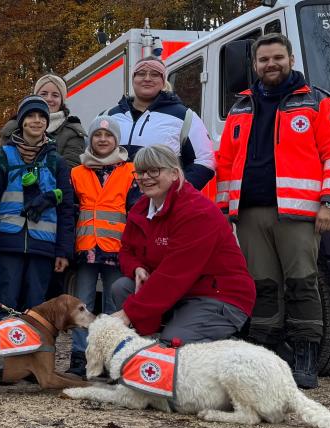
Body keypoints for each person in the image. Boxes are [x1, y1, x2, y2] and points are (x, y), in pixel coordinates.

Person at [214, 33, 330, 389]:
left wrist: (329, 202)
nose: (270, 64)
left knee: (302, 283)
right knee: (263, 285)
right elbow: (225, 161)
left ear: (290, 58)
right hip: (249, 213)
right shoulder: (240, 106)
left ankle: (306, 356)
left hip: (299, 213)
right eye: (263, 60)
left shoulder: (318, 102)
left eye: (277, 57)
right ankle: (266, 353)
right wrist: (225, 207)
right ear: (255, 65)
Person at [109, 145, 255, 346]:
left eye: (154, 171)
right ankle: (144, 349)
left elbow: (175, 273)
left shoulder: (196, 212)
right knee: (122, 287)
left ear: (174, 174)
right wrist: (137, 268)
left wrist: (129, 313)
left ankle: (214, 350)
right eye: (140, 172)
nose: (145, 177)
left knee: (175, 344)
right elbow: (126, 250)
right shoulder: (141, 208)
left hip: (216, 295)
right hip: (178, 292)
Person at [0, 95, 75, 324]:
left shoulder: (56, 162)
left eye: (41, 116)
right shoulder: (4, 156)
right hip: (7, 243)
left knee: (36, 308)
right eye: (30, 116)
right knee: (4, 303)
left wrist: (63, 251)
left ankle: (30, 356)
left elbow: (67, 210)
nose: (36, 121)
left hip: (43, 246)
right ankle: (1, 355)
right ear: (21, 121)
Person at [65, 115, 139, 377]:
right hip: (85, 248)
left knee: (112, 304)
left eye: (109, 136)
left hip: (117, 250)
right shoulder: (77, 172)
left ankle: (110, 358)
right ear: (90, 139)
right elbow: (70, 211)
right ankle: (79, 357)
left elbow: (136, 211)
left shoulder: (130, 171)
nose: (103, 139)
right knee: (81, 304)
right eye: (98, 135)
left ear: (117, 140)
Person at [105, 57, 215, 190]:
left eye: (155, 74)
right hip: (112, 205)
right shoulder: (109, 116)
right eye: (141, 73)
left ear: (163, 81)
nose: (147, 78)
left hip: (160, 207)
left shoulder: (184, 116)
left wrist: (177, 194)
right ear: (133, 79)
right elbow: (91, 158)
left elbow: (205, 161)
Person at [0, 74, 87, 168]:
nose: (49, 99)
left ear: (62, 100)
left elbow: (70, 171)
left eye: (55, 95)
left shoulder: (73, 132)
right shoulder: (13, 127)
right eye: (43, 94)